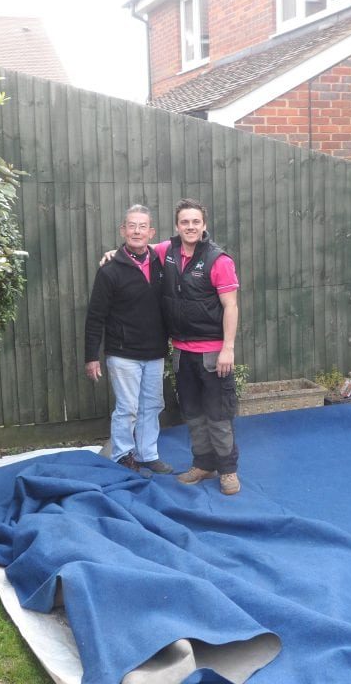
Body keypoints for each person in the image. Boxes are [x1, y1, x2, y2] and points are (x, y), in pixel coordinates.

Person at [155, 198, 242, 495]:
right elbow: (138, 253)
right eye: (184, 222)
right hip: (181, 352)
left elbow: (230, 306)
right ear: (177, 225)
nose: (190, 227)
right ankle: (203, 464)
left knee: (218, 414)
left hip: (212, 353)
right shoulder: (167, 251)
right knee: (192, 413)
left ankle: (228, 470)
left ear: (204, 225)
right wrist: (113, 254)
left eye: (195, 222)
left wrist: (227, 348)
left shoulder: (219, 260)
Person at [84, 205, 172, 474]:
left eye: (142, 226)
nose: (136, 231)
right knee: (128, 408)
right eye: (131, 226)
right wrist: (91, 357)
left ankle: (147, 454)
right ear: (123, 230)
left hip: (154, 352)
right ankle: (123, 456)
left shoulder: (161, 263)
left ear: (151, 232)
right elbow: (95, 316)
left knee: (152, 405)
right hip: (123, 354)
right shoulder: (110, 270)